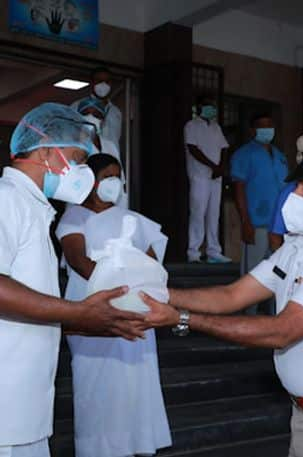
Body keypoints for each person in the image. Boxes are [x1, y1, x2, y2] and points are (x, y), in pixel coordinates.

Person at [142, 135, 303, 457]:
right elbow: (231, 296)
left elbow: (282, 331)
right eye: (297, 187)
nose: (295, 197)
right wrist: (157, 293)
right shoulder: (298, 246)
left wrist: (181, 318)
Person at [0, 103, 147, 457]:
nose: (82, 171)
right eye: (78, 158)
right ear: (47, 152)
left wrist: (90, 323)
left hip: (23, 411)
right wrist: (77, 312)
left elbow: (28, 306)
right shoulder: (7, 200)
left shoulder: (34, 209)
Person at [55, 153, 171, 457]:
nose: (114, 182)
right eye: (107, 176)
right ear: (91, 180)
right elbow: (78, 261)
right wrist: (115, 287)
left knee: (136, 382)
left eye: (117, 176)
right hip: (90, 308)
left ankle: (136, 444)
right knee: (96, 383)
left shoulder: (132, 219)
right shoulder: (74, 217)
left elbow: (152, 265)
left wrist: (132, 292)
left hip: (134, 308)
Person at [231, 113, 288, 276]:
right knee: (253, 274)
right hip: (257, 225)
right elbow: (239, 189)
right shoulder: (244, 154)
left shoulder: (280, 156)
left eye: (270, 125)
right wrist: (245, 222)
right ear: (252, 130)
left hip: (279, 226)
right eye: (262, 126)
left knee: (277, 276)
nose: (267, 129)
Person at [184, 94, 231, 263]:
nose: (211, 108)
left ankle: (213, 251)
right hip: (200, 176)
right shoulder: (191, 125)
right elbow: (193, 148)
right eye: (206, 105)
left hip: (215, 177)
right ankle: (194, 252)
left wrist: (222, 167)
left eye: (212, 105)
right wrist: (213, 165)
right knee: (198, 213)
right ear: (198, 108)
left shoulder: (216, 127)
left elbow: (225, 147)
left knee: (214, 214)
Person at [75, 97, 129, 209]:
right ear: (78, 118)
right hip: (83, 205)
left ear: (103, 120)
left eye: (96, 115)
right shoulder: (74, 147)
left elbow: (120, 180)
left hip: (112, 202)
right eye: (86, 113)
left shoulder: (110, 145)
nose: (90, 118)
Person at [71, 66, 122, 151]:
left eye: (107, 81)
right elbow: (69, 134)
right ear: (92, 83)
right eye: (99, 81)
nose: (103, 84)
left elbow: (116, 139)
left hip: (111, 158)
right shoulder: (77, 106)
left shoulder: (116, 112)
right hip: (85, 157)